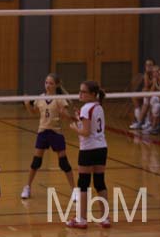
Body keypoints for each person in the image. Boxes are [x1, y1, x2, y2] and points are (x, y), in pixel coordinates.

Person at [20, 73, 75, 200]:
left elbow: (68, 117)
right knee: (36, 162)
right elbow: (33, 113)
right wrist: (27, 104)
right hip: (43, 132)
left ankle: (74, 189)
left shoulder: (60, 99)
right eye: (46, 83)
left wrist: (63, 113)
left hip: (56, 133)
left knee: (64, 163)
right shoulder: (40, 98)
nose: (48, 85)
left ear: (56, 85)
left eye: (50, 83)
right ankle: (27, 187)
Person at [67, 81, 110, 229]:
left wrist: (74, 127)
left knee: (83, 184)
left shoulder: (86, 108)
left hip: (88, 150)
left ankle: (82, 219)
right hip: (101, 148)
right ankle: (105, 218)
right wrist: (80, 119)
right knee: (99, 183)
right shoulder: (99, 106)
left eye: (83, 92)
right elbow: (91, 127)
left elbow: (85, 132)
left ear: (92, 94)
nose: (80, 94)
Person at [130, 58, 155, 130]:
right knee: (134, 96)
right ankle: (140, 119)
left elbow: (151, 88)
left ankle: (140, 121)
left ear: (154, 66)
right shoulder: (146, 74)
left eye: (150, 65)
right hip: (148, 93)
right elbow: (146, 86)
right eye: (147, 65)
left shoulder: (156, 74)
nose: (148, 66)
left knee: (146, 99)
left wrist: (146, 89)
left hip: (154, 94)